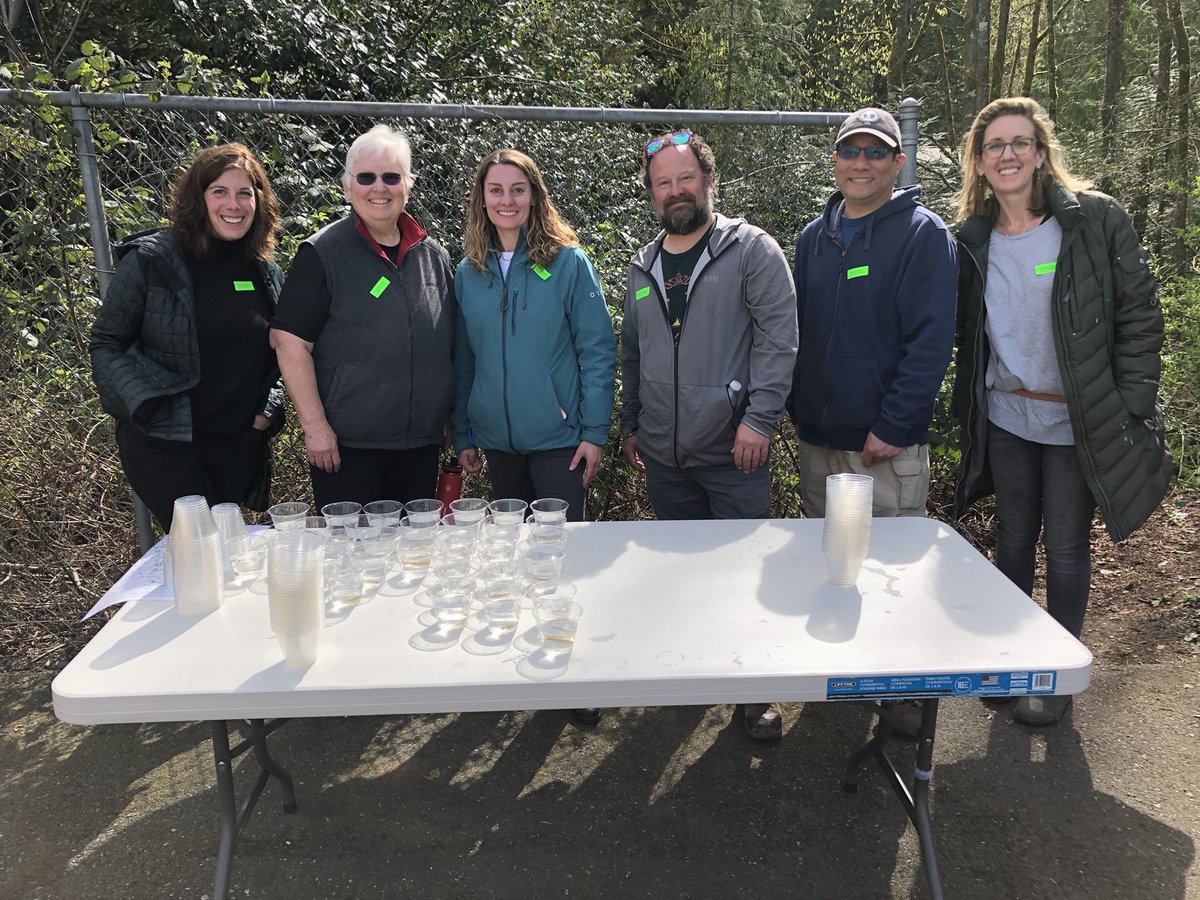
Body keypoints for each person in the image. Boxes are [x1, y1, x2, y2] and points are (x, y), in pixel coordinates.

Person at [953, 97, 1174, 726]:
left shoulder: (1094, 221)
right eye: (994, 145)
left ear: (1042, 152)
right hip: (1007, 417)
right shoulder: (971, 240)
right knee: (1014, 539)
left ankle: (1052, 679)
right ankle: (1009, 665)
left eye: (1020, 142)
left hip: (1079, 417)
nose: (1008, 154)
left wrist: (1129, 401)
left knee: (1069, 547)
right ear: (980, 161)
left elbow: (1139, 314)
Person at [620, 130, 798, 740]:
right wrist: (632, 423)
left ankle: (755, 693)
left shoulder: (750, 251)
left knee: (744, 573)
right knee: (683, 575)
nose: (676, 190)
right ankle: (697, 674)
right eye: (664, 182)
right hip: (666, 456)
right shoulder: (642, 265)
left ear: (709, 181)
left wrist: (759, 420)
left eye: (685, 178)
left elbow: (779, 340)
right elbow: (632, 353)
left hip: (732, 452)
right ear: (651, 192)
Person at [90, 143, 286, 531]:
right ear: (198, 198)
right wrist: (147, 404)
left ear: (259, 202)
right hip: (167, 444)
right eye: (220, 192)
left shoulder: (266, 272)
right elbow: (106, 343)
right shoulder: (153, 260)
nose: (234, 204)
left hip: (238, 444)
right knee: (201, 546)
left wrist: (267, 414)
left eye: (245, 193)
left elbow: (283, 353)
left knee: (223, 554)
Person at [271, 125, 455, 510]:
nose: (379, 188)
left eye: (391, 177)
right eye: (366, 177)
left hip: (420, 446)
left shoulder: (433, 256)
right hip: (346, 449)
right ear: (346, 185)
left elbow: (450, 343)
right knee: (352, 562)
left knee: (412, 560)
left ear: (409, 184)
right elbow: (288, 343)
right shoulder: (322, 254)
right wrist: (315, 427)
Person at [787, 107, 956, 519]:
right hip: (816, 446)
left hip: (881, 451)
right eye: (850, 150)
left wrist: (893, 426)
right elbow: (794, 332)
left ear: (898, 162)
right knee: (821, 567)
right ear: (835, 161)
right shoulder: (813, 239)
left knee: (887, 576)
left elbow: (931, 345)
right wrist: (797, 407)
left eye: (876, 152)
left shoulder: (924, 236)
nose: (861, 163)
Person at [451, 148, 616, 523]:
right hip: (497, 444)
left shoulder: (569, 263)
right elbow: (463, 359)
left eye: (517, 190)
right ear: (482, 199)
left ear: (534, 195)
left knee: (560, 553)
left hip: (560, 444)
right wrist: (464, 433)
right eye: (496, 190)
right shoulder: (468, 272)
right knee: (512, 554)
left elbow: (597, 352)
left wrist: (594, 433)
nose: (506, 200)